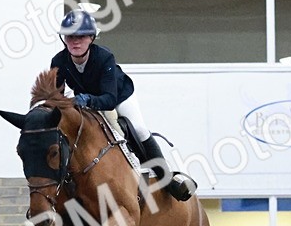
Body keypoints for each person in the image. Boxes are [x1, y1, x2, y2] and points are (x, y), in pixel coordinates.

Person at [50, 10, 197, 201]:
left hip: (118, 97)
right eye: (70, 37)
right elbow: (56, 96)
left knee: (139, 129)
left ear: (91, 37)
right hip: (85, 101)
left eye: (81, 36)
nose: (75, 41)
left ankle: (167, 180)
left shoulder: (104, 57)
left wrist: (87, 100)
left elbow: (109, 99)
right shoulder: (58, 61)